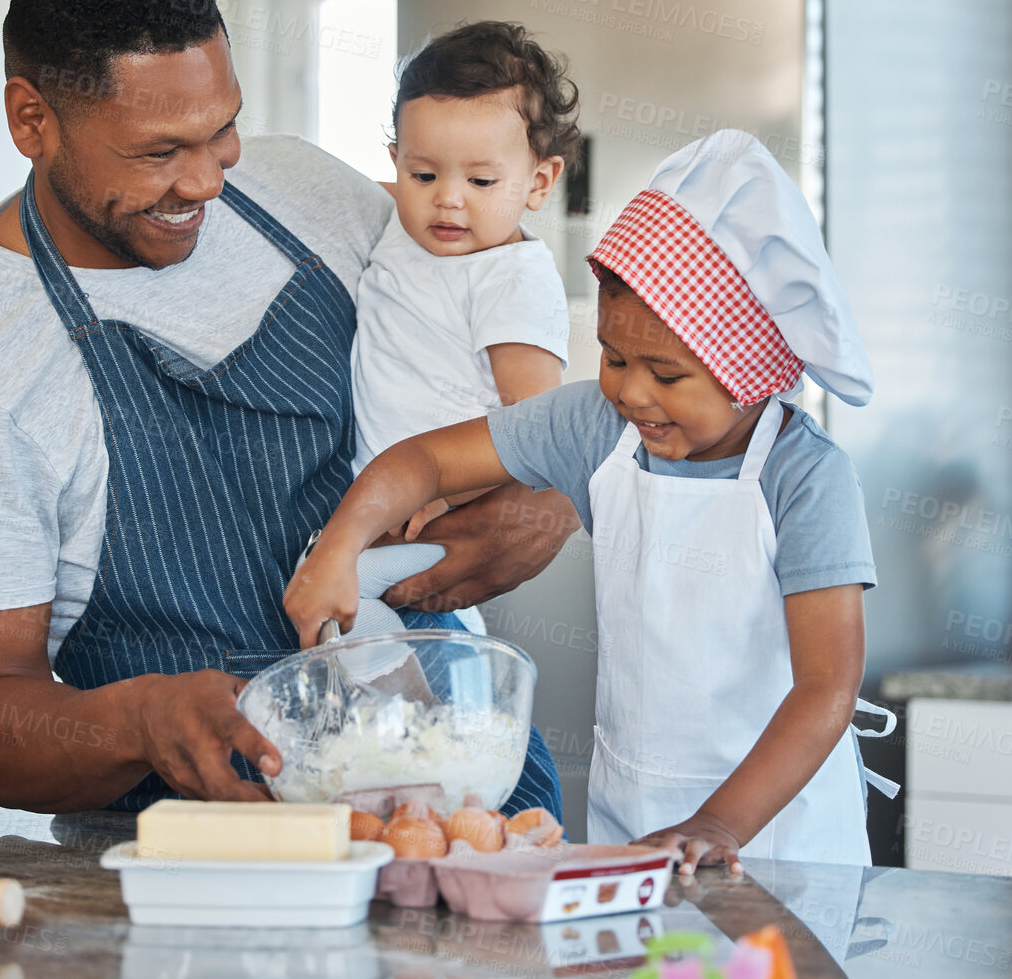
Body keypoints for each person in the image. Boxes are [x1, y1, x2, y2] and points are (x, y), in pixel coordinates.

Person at [0, 0, 573, 815]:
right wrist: (137, 721)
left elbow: (492, 297)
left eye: (223, 131)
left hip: (456, 781)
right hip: (200, 854)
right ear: (30, 120)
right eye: (160, 152)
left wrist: (551, 496)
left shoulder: (304, 193)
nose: (205, 182)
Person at [288, 129, 900, 872]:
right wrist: (338, 550)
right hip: (632, 816)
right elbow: (419, 462)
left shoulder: (804, 478)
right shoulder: (595, 426)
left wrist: (719, 825)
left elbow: (826, 689)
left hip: (778, 837)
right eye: (613, 358)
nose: (632, 392)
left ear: (748, 367)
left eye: (667, 375)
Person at [341, 22, 574, 637]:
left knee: (342, 600)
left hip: (435, 516)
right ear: (397, 165)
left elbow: (542, 428)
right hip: (372, 506)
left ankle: (417, 720)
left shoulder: (510, 280)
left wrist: (459, 497)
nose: (447, 199)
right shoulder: (407, 221)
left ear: (538, 183)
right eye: (424, 176)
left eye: (480, 181)